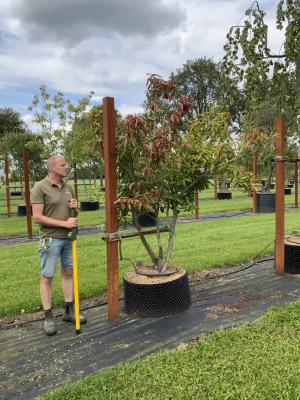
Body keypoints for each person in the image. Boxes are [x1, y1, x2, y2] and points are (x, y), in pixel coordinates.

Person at [31, 155, 86, 336]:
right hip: (51, 239)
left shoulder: (68, 187)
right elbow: (37, 217)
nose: (66, 166)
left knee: (68, 273)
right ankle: (48, 317)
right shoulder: (40, 187)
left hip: (69, 238)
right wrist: (65, 224)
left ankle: (68, 312)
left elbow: (72, 213)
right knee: (47, 276)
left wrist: (75, 207)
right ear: (52, 167)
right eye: (63, 164)